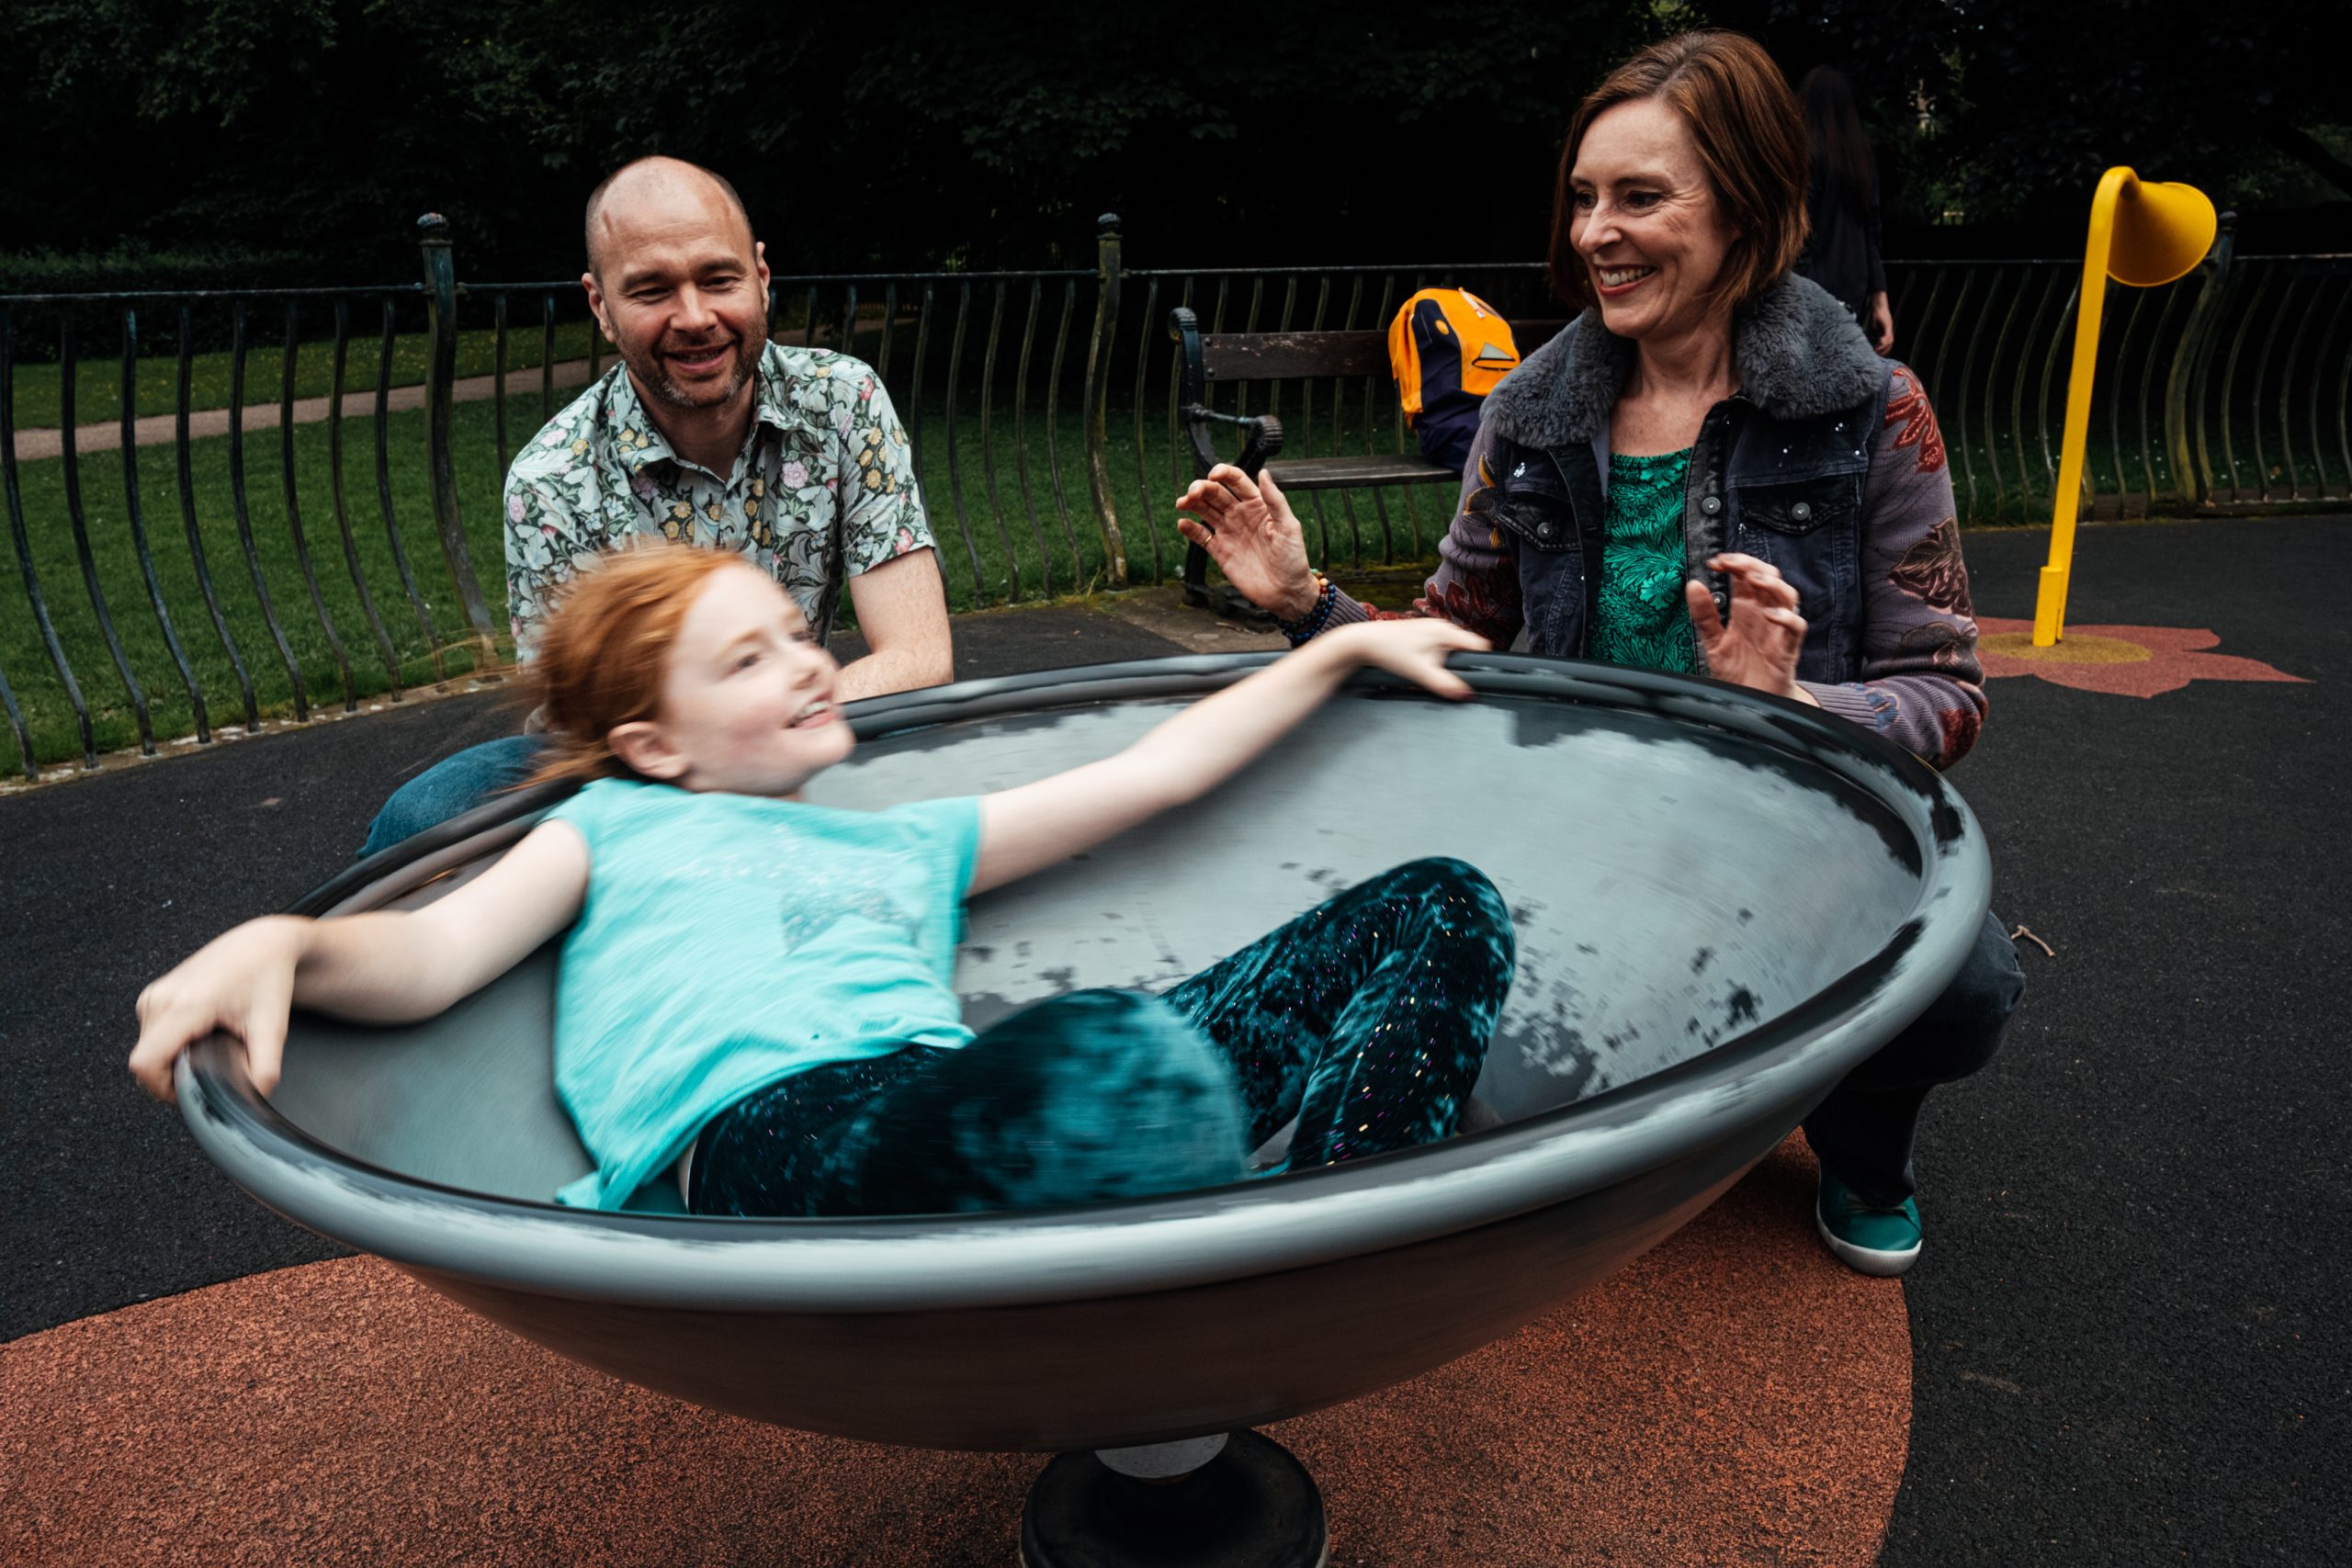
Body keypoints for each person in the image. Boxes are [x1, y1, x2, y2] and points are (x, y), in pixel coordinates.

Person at [1173, 29, 2021, 1277]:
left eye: (1638, 196)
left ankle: (1860, 1133)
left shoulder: (1870, 408)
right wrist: (1308, 601)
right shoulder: (1529, 415)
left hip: (1781, 822)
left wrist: (1792, 701)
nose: (1594, 233)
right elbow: (1454, 648)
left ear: (1742, 207)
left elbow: (1947, 692)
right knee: (1419, 972)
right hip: (1585, 818)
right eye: (1582, 198)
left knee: (1964, 986)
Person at [131, 545, 1514, 1218]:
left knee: (1440, 900)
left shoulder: (897, 840)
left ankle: (1342, 1219)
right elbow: (433, 956)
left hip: (947, 1093)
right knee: (1112, 1067)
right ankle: (1164, 1170)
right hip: (769, 1133)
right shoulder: (614, 825)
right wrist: (285, 940)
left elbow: (1150, 775)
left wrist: (1325, 652)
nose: (805, 661)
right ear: (651, 741)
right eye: (747, 659)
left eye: (799, 632)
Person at [359, 155, 955, 856]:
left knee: (949, 751)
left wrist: (774, 734)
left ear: (762, 278)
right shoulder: (552, 481)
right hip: (645, 768)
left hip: (799, 715)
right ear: (601, 307)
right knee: (423, 814)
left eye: (718, 278)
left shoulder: (845, 401)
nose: (695, 317)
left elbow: (919, 656)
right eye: (651, 291)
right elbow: (586, 739)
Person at [1793, 65, 1894, 355]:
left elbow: (1802, 231)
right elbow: (1871, 234)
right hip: (1852, 291)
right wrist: (1880, 301)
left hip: (1809, 290)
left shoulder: (1804, 155)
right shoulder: (1861, 160)